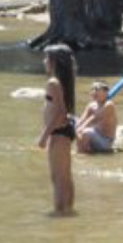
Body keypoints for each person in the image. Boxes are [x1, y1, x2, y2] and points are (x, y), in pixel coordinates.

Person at [37, 44, 77, 215]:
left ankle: (60, 211)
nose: (44, 61)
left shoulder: (53, 82)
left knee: (58, 177)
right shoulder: (64, 80)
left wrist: (44, 136)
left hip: (58, 132)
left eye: (47, 58)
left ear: (54, 62)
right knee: (65, 175)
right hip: (64, 131)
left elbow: (60, 110)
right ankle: (68, 209)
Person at [75, 82, 119, 154]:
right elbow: (82, 119)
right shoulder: (91, 105)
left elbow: (95, 118)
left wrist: (81, 128)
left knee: (86, 132)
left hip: (106, 141)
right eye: (93, 89)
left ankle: (86, 156)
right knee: (77, 131)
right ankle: (82, 153)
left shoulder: (109, 105)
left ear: (106, 92)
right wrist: (76, 125)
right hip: (94, 134)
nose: (94, 92)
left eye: (97, 89)